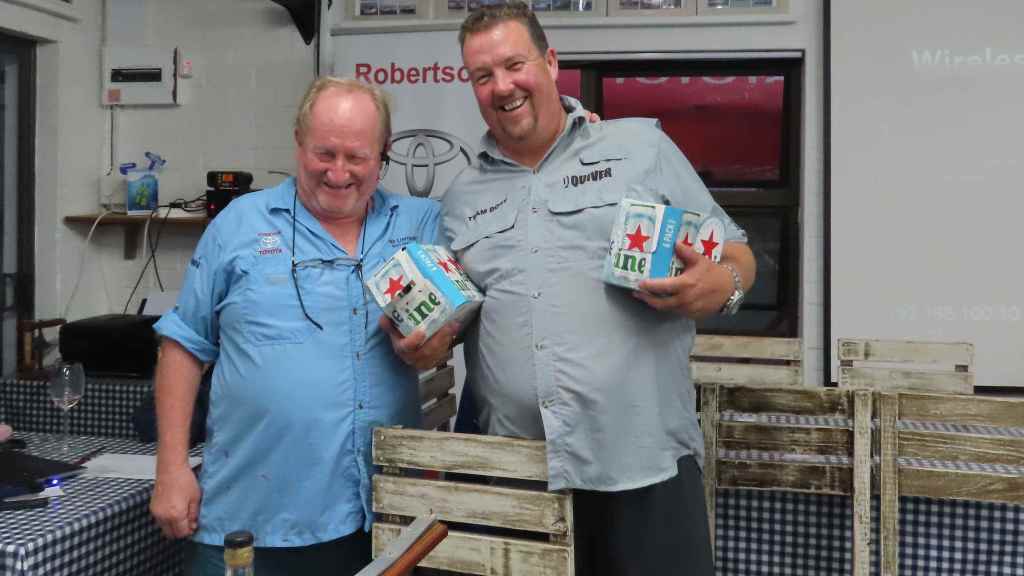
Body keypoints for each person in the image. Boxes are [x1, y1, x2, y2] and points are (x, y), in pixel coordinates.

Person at [397, 3, 757, 574]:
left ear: (550, 62)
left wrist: (723, 283)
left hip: (644, 464)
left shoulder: (640, 148)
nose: (501, 86)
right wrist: (429, 345)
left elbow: (735, 251)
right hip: (519, 473)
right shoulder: (462, 196)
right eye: (482, 76)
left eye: (514, 65)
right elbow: (457, 315)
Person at [148, 77, 456, 576]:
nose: (338, 172)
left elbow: (457, 314)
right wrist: (171, 468)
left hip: (379, 521)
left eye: (356, 157)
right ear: (298, 143)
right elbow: (184, 345)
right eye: (324, 153)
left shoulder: (419, 224)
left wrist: (434, 344)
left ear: (384, 153)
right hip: (250, 520)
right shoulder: (239, 225)